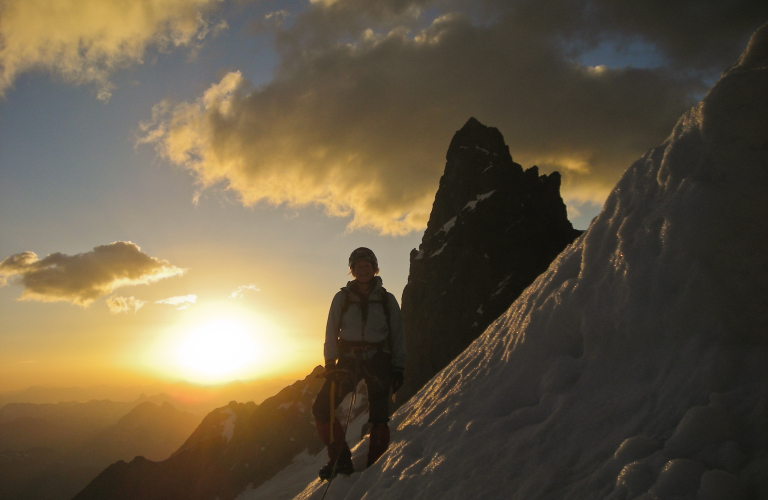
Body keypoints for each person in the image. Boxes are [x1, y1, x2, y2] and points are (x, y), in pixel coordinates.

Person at [312, 247, 406, 481]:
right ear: (351, 271)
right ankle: (340, 458)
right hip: (348, 360)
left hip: (379, 358)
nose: (363, 270)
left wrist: (398, 366)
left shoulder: (387, 299)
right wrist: (329, 362)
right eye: (358, 266)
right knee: (323, 408)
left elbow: (397, 333)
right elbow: (331, 330)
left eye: (367, 266)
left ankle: (376, 462)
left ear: (374, 269)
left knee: (379, 413)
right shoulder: (342, 298)